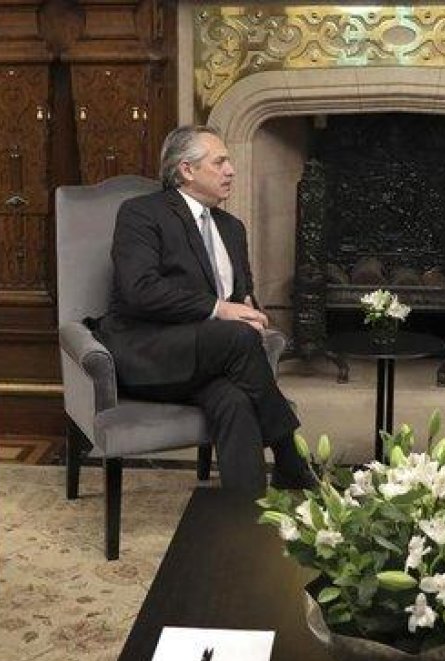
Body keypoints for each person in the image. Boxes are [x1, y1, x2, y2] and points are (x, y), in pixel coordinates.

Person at [93, 124, 312, 491]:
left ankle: (248, 516)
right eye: (220, 162)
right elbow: (139, 291)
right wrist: (220, 309)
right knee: (239, 339)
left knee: (235, 400)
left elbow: (241, 297)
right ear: (186, 170)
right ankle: (290, 457)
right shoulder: (141, 214)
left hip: (208, 358)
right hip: (150, 352)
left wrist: (249, 307)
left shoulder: (232, 228)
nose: (231, 170)